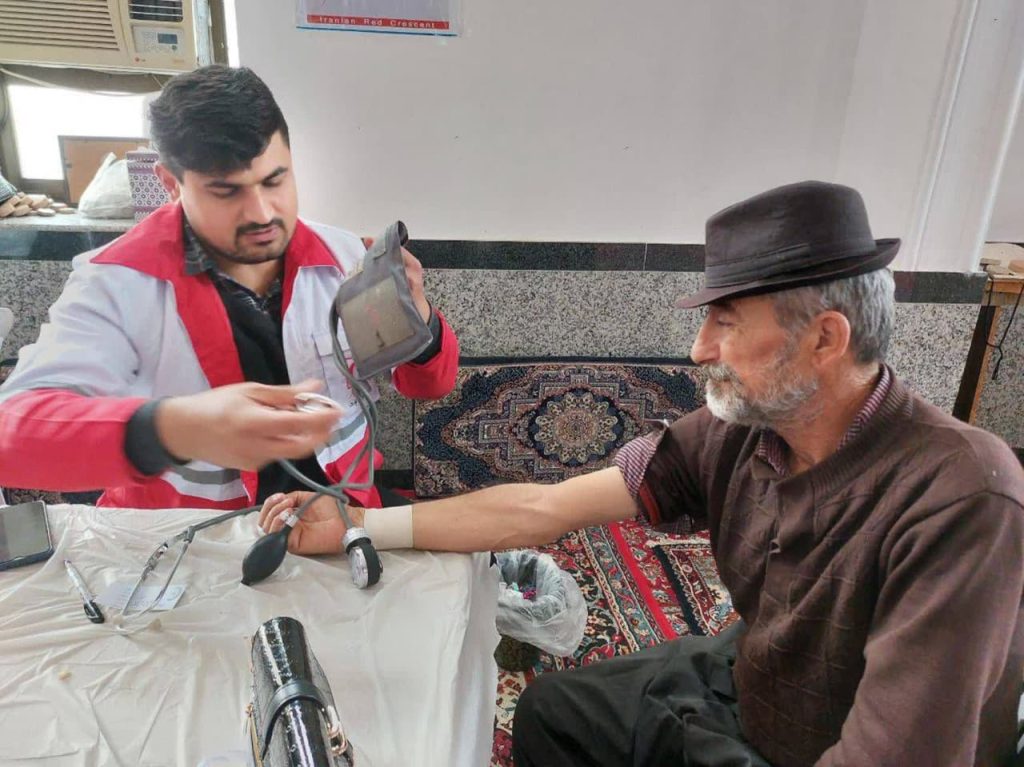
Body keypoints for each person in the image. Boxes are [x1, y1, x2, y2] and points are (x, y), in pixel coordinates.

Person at [259, 181, 1024, 766]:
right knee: (552, 714)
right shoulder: (744, 432)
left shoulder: (962, 499)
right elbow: (544, 509)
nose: (698, 349)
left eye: (726, 321)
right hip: (750, 683)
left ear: (825, 339)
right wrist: (361, 523)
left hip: (821, 745)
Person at [0, 65, 459, 510]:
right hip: (193, 538)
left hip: (341, 514)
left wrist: (419, 321)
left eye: (275, 180)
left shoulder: (343, 257)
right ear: (171, 184)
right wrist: (177, 428)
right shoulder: (117, 282)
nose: (261, 213)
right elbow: (11, 436)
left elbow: (429, 385)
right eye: (226, 191)